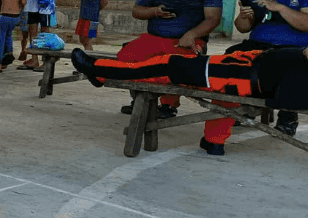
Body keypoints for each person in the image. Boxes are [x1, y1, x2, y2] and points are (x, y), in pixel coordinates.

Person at [71, 47, 307, 156]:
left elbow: (286, 96)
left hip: (238, 74)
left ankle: (97, 70)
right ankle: (214, 142)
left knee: (165, 65)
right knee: (227, 101)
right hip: (242, 71)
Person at [203, 0, 307, 139]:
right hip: (258, 45)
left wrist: (279, 8)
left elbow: (306, 24)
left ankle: (288, 116)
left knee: (292, 66)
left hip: (293, 49)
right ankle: (237, 108)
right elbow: (243, 27)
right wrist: (244, 16)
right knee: (231, 55)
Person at [118, 0, 222, 118]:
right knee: (127, 56)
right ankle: (140, 99)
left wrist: (192, 34)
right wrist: (155, 11)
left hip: (187, 41)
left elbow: (213, 19)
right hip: (154, 38)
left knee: (174, 63)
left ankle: (168, 105)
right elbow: (136, 11)